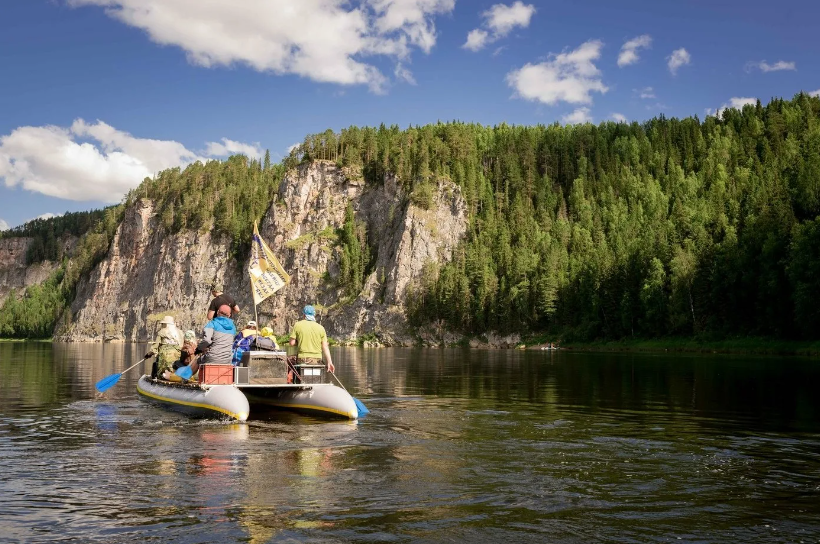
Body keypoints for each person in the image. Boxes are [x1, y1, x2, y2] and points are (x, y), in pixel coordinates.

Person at [289, 305, 335, 374]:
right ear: (314, 315)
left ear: (304, 315)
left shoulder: (298, 325)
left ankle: (292, 381)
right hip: (317, 360)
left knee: (289, 360)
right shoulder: (321, 328)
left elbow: (291, 343)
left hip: (303, 359)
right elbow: (325, 347)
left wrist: (299, 341)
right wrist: (329, 362)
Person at [192, 304, 237, 374]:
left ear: (217, 312)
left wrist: (199, 349)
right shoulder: (233, 327)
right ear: (229, 315)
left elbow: (207, 340)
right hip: (228, 359)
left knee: (198, 360)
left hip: (213, 358)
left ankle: (184, 378)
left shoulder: (212, 324)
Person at [147, 316, 182, 381]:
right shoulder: (180, 332)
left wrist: (148, 354)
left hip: (165, 359)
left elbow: (155, 347)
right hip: (178, 358)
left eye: (163, 324)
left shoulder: (162, 332)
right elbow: (181, 345)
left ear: (165, 324)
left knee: (157, 363)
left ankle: (158, 376)